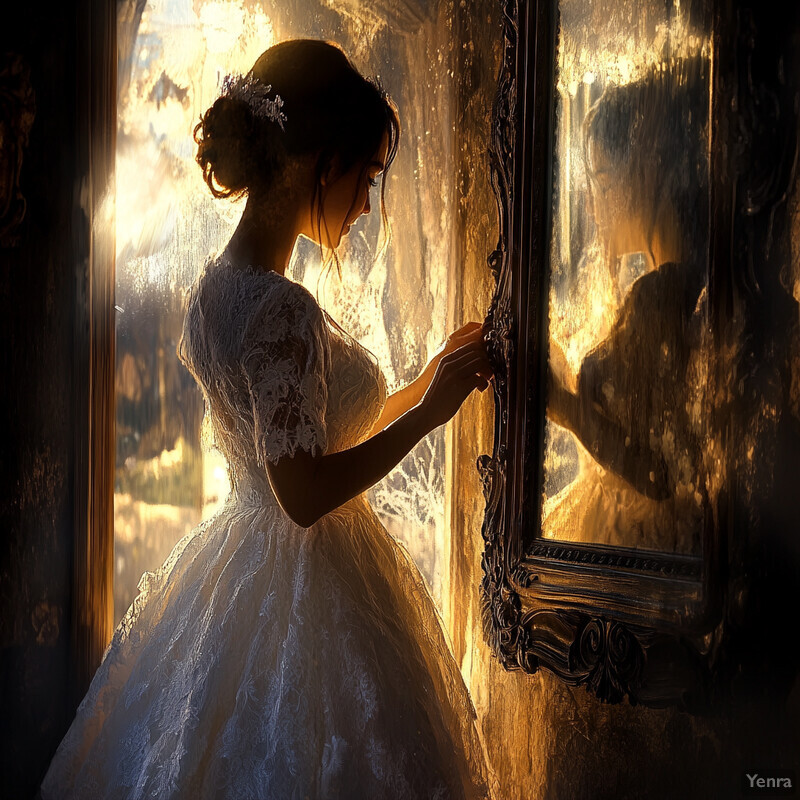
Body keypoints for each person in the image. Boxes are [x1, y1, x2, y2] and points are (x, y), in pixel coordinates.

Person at [40, 39, 494, 799]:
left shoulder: (218, 287)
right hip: (308, 587)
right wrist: (433, 415)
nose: (366, 205)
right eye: (366, 178)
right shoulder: (280, 308)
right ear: (323, 164)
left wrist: (425, 383)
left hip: (240, 559)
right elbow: (306, 493)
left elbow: (308, 430)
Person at [545, 58, 709, 552]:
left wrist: (569, 409)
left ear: (643, 169)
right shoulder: (685, 283)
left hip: (643, 551)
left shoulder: (662, 295)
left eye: (601, 177)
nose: (593, 205)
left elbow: (663, 475)